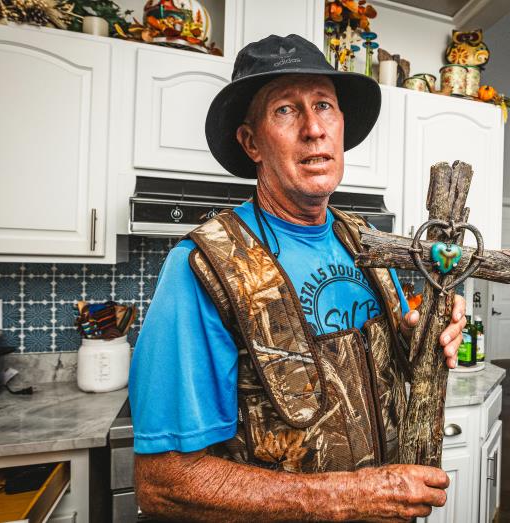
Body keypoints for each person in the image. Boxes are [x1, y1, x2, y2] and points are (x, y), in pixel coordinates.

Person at [129, 34, 467, 522]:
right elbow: (164, 482)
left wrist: (428, 334)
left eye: (324, 106)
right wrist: (345, 497)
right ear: (251, 142)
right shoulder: (202, 268)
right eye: (286, 110)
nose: (314, 129)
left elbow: (387, 377)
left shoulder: (369, 244)